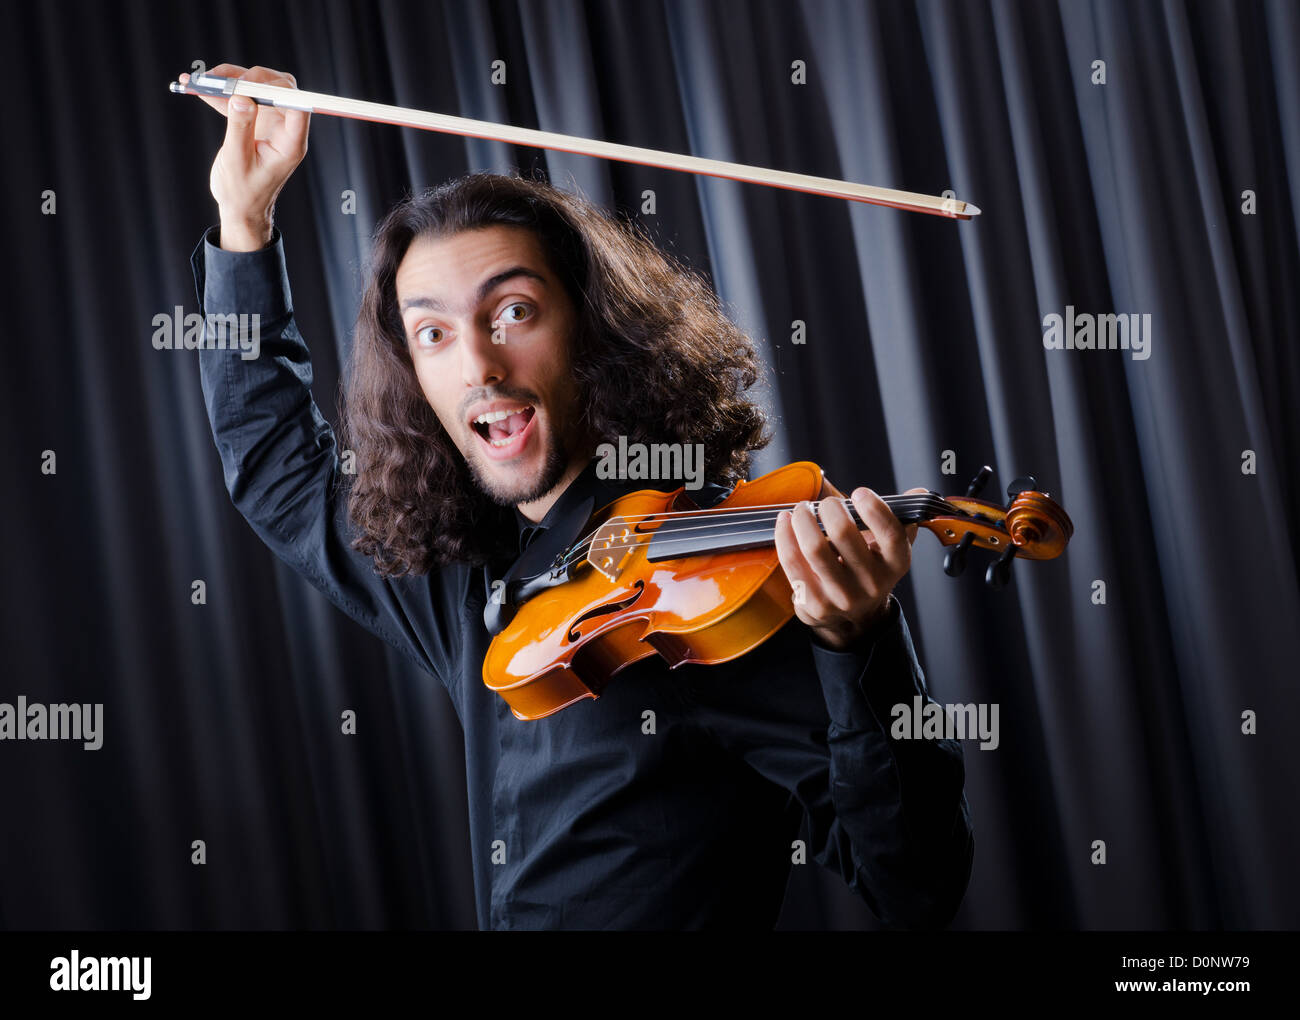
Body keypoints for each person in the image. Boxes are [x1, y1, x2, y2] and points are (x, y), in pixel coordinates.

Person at [184, 64, 974, 929]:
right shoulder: (466, 573)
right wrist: (244, 222)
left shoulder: (712, 591)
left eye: (514, 311)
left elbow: (917, 881)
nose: (480, 366)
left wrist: (855, 643)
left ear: (593, 328)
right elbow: (275, 468)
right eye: (434, 333)